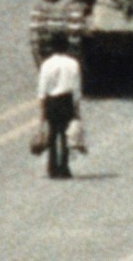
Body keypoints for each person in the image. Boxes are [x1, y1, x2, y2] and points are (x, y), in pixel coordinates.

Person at [36, 33, 81, 179]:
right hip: (66, 100)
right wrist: (76, 109)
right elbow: (76, 88)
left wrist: (42, 112)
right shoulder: (73, 63)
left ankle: (52, 166)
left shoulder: (46, 64)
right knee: (65, 134)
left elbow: (42, 89)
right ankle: (64, 167)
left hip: (52, 101)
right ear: (67, 47)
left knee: (52, 133)